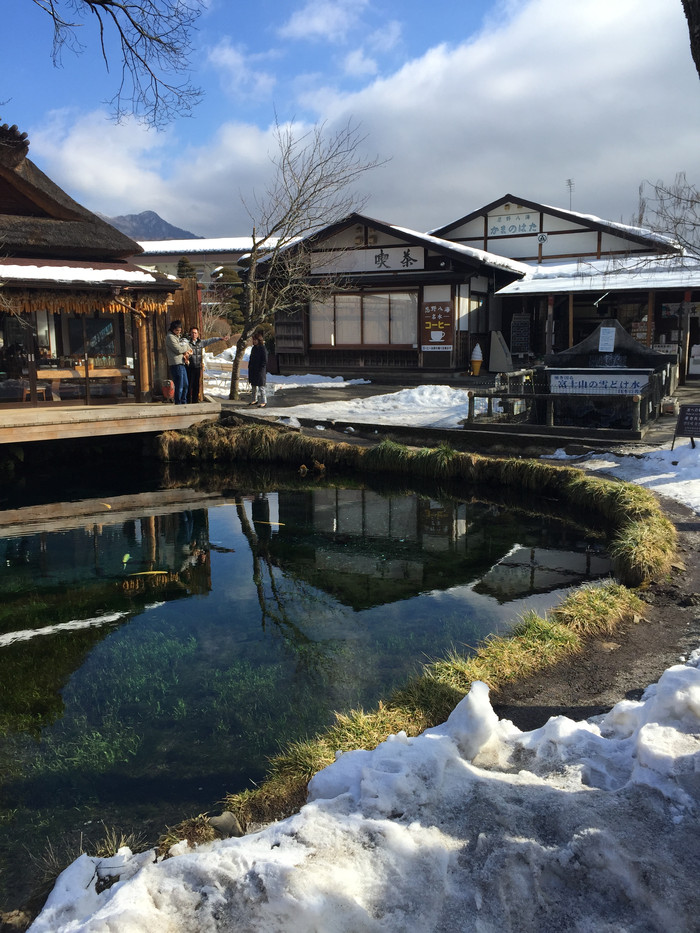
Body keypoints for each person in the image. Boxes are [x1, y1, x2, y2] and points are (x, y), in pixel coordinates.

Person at [187, 326, 223, 403]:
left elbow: (210, 340)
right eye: (192, 333)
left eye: (195, 333)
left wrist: (219, 338)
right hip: (189, 367)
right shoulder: (187, 343)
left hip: (197, 367)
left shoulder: (200, 342)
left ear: (198, 334)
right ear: (190, 334)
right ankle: (188, 401)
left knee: (196, 385)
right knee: (189, 385)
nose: (194, 334)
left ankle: (195, 401)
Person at [165, 320, 192, 404]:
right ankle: (178, 402)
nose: (179, 332)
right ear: (172, 329)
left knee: (185, 385)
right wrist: (186, 347)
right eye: (177, 330)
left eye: (180, 330)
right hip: (176, 364)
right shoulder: (170, 337)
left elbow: (188, 346)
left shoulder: (178, 337)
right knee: (179, 385)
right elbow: (178, 349)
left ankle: (184, 401)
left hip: (182, 363)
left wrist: (186, 347)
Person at [248, 332, 268, 407]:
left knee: (261, 386)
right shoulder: (254, 348)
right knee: (253, 386)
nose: (254, 341)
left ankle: (264, 401)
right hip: (253, 369)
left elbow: (264, 360)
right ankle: (254, 400)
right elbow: (251, 358)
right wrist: (250, 366)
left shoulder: (263, 348)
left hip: (260, 370)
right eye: (253, 340)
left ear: (259, 340)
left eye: (255, 340)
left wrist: (261, 368)